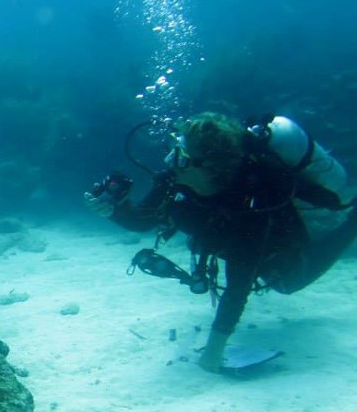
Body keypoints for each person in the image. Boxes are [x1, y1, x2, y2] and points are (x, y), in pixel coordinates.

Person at [85, 112, 357, 373]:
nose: (170, 161)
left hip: (277, 236)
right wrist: (113, 211)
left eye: (181, 156)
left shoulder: (255, 194)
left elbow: (240, 279)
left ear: (209, 166)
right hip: (222, 233)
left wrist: (214, 349)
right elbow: (144, 221)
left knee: (288, 283)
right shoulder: (176, 176)